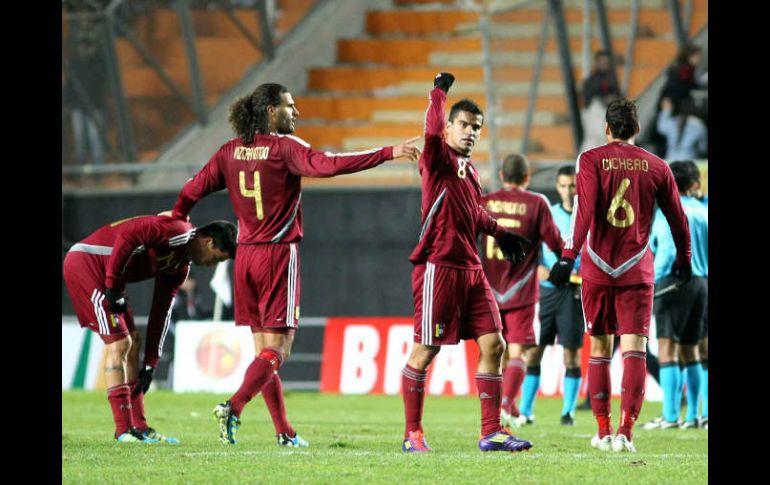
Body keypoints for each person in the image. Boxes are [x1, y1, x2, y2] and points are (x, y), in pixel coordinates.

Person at [167, 82, 421, 447]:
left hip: (244, 260)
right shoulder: (285, 148)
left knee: (263, 354)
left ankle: (285, 432)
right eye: (289, 106)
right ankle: (234, 407)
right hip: (276, 254)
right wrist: (388, 152)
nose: (296, 111)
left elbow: (191, 190)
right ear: (271, 110)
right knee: (279, 351)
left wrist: (177, 223)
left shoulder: (228, 152)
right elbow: (330, 165)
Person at [548, 98, 692, 453]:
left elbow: (584, 212)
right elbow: (678, 219)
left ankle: (604, 429)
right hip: (637, 268)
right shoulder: (658, 166)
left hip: (597, 266)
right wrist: (684, 259)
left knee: (599, 347)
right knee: (634, 349)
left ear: (607, 129)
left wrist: (568, 256)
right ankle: (626, 433)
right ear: (638, 130)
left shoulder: (591, 159)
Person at [399, 72, 531, 453]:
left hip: (471, 270)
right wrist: (439, 92)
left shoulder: (470, 171)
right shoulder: (436, 156)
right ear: (449, 128)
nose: (471, 132)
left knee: (494, 344)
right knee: (426, 350)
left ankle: (491, 433)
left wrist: (502, 234)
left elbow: (475, 213)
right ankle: (413, 434)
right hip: (438, 267)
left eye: (477, 127)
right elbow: (430, 128)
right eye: (464, 125)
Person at [62, 216, 237, 442]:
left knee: (134, 343)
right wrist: (113, 287)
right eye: (216, 259)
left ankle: (140, 427)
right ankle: (123, 430)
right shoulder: (177, 230)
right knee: (120, 343)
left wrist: (151, 363)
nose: (211, 265)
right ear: (208, 242)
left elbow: (161, 311)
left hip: (110, 279)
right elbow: (128, 235)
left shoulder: (180, 267)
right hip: (87, 265)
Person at [479, 154, 563, 429]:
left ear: (502, 176)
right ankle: (506, 404)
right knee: (519, 353)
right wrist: (567, 261)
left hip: (488, 289)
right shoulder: (537, 203)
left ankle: (504, 406)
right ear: (527, 177)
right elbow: (554, 241)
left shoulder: (487, 201)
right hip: (522, 291)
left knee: (493, 353)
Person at [517, 164, 585, 426]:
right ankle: (526, 411)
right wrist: (538, 268)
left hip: (573, 292)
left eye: (573, 186)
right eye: (564, 186)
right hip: (545, 293)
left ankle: (567, 412)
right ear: (557, 187)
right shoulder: (549, 215)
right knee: (534, 352)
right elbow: (530, 247)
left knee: (571, 354)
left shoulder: (586, 217)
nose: (568, 191)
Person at [644, 160, 707, 430]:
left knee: (668, 348)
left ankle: (670, 416)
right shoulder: (704, 211)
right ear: (692, 184)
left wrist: (654, 282)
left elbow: (666, 251)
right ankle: (695, 414)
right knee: (693, 348)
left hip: (673, 281)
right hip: (702, 282)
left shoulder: (667, 212)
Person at [656, 97, 707, 161]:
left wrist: (666, 110)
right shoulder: (699, 125)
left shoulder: (671, 122)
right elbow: (702, 149)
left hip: (671, 162)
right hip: (689, 163)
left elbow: (660, 127)